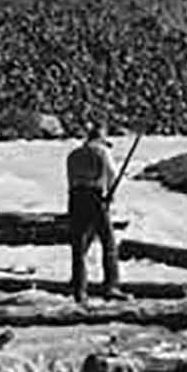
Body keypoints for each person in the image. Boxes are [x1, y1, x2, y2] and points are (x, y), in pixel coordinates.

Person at [65, 123, 133, 304]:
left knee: (79, 246)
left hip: (75, 198)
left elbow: (70, 180)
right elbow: (112, 175)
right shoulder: (102, 152)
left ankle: (79, 290)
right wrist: (110, 195)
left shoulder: (73, 155)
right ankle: (111, 286)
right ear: (101, 138)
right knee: (108, 243)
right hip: (95, 198)